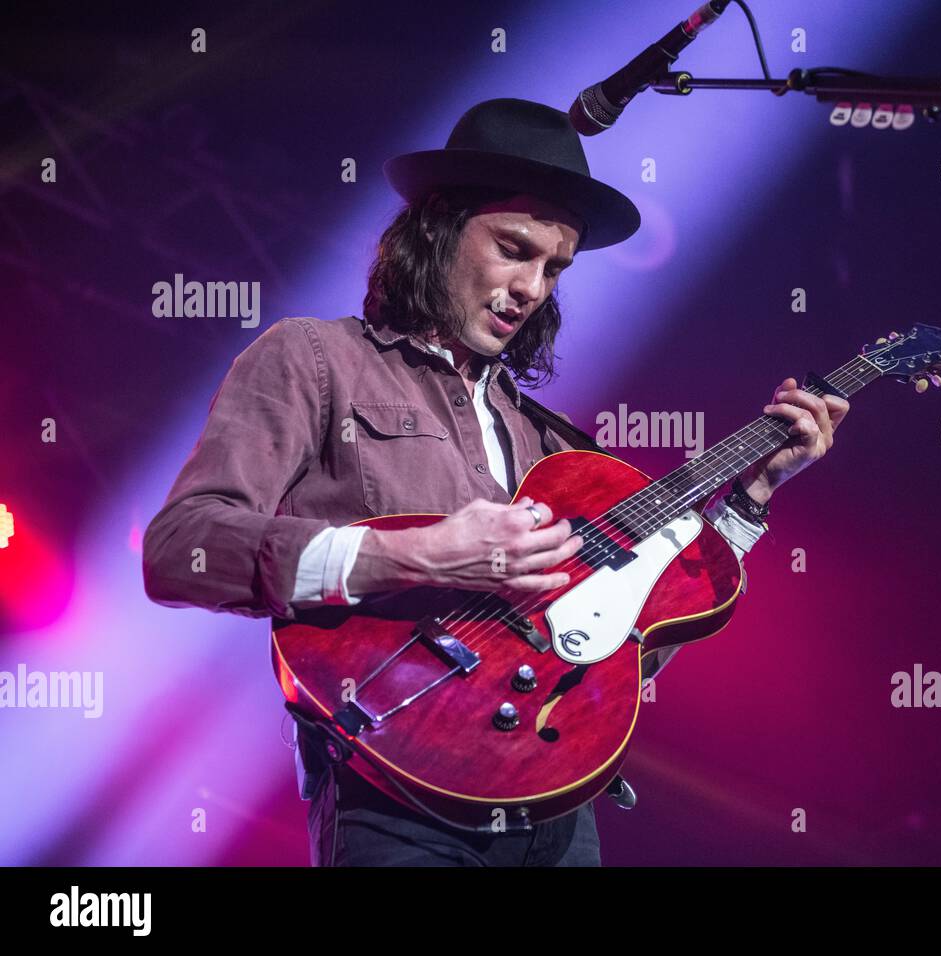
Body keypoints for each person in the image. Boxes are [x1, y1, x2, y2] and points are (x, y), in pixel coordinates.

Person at [142, 98, 850, 866]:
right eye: (514, 249)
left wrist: (750, 501)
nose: (535, 287)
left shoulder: (551, 441)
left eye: (554, 269)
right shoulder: (314, 360)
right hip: (395, 797)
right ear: (440, 226)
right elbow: (180, 550)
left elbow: (621, 645)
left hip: (558, 814)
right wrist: (416, 554)